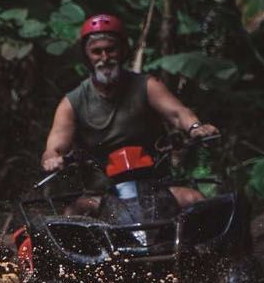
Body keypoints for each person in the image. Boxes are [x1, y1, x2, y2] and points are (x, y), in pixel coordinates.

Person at [41, 13, 219, 210]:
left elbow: (178, 113)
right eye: (96, 51)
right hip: (102, 195)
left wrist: (195, 128)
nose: (104, 57)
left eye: (111, 50)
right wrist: (52, 159)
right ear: (86, 56)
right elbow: (55, 145)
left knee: (194, 200)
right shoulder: (72, 102)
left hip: (154, 187)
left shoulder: (146, 85)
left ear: (123, 50)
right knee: (73, 214)